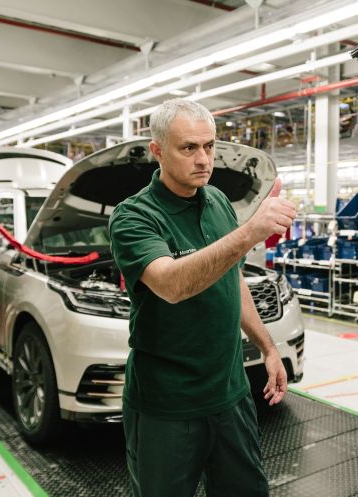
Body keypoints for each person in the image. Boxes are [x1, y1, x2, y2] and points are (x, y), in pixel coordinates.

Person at [108, 99, 297, 497]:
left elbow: (233, 279)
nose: (203, 159)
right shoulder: (133, 216)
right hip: (167, 405)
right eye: (188, 148)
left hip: (230, 395)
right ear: (157, 150)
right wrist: (249, 233)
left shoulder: (218, 202)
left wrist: (268, 347)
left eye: (209, 146)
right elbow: (172, 285)